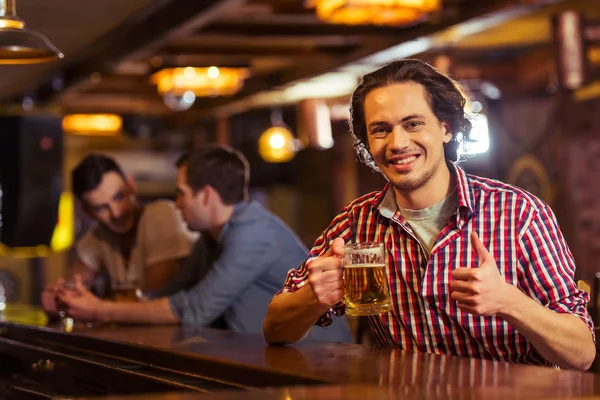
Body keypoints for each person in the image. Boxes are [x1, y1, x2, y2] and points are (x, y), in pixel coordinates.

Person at [262, 59, 596, 370]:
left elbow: (581, 352)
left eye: (413, 124)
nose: (397, 143)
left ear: (446, 128)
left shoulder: (519, 214)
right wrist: (314, 296)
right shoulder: (355, 223)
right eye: (380, 130)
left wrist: (509, 302)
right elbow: (275, 329)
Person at [58, 145, 353, 341]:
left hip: (322, 362)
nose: (176, 203)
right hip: (269, 361)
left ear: (207, 196)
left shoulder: (252, 233)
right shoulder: (210, 238)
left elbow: (195, 310)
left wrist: (99, 310)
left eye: (181, 193)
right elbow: (166, 294)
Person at [42, 154, 197, 315]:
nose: (116, 213)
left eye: (119, 197)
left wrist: (95, 307)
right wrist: (57, 297)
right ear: (87, 212)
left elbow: (153, 301)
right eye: (101, 208)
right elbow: (70, 288)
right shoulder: (99, 236)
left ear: (131, 186)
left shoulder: (161, 215)